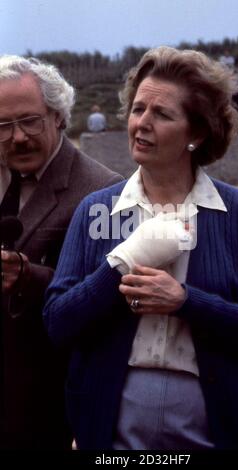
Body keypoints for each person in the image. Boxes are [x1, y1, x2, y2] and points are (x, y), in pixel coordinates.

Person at [43, 46, 238, 450]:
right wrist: (120, 265)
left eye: (162, 114)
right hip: (109, 430)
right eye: (138, 109)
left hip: (218, 427)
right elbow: (57, 323)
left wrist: (186, 301)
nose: (141, 124)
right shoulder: (96, 211)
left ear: (198, 133)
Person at [0, 55, 122, 449]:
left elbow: (110, 298)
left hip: (41, 404)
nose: (17, 137)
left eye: (29, 121)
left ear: (57, 116)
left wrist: (27, 275)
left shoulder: (104, 192)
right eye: (2, 126)